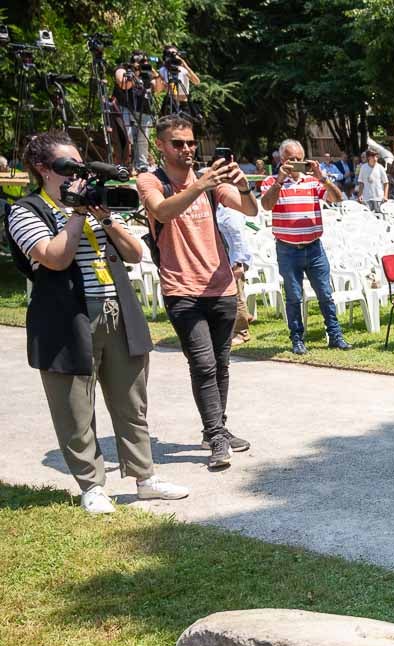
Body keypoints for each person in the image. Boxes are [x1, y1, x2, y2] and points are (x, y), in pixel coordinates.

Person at [8, 130, 189, 512]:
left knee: (131, 401)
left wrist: (105, 219)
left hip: (117, 310)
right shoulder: (27, 210)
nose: (76, 173)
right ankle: (92, 485)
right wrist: (76, 214)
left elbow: (135, 252)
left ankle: (145, 477)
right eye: (67, 166)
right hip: (66, 319)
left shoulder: (96, 205)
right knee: (75, 406)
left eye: (80, 166)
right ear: (42, 169)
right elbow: (53, 257)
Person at [136, 114, 259, 470]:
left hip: (220, 286)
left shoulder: (210, 181)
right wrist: (200, 185)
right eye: (178, 143)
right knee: (203, 363)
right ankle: (216, 436)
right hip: (182, 288)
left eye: (191, 142)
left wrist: (243, 184)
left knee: (221, 363)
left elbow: (251, 208)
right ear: (161, 145)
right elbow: (162, 210)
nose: (187, 149)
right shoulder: (151, 180)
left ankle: (216, 429)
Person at [258, 138, 353, 355]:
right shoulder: (271, 182)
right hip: (287, 248)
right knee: (293, 296)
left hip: (314, 247)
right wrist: (280, 181)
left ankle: (335, 335)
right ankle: (297, 338)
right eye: (291, 159)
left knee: (325, 294)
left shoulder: (312, 182)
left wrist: (323, 179)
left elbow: (338, 199)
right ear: (281, 160)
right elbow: (266, 205)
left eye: (299, 159)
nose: (296, 164)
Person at [216, 204, 255, 346]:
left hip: (234, 259)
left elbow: (238, 237)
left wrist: (238, 263)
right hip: (224, 258)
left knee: (236, 295)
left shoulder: (229, 209)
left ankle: (241, 332)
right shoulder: (217, 206)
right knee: (232, 294)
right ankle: (244, 318)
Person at [113, 52, 157, 167]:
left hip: (144, 109)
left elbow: (157, 88)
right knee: (128, 138)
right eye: (142, 61)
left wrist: (155, 74)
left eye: (146, 61)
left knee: (143, 140)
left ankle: (142, 167)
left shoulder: (147, 72)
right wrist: (135, 72)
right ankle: (127, 165)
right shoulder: (123, 69)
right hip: (126, 107)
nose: (144, 64)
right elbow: (124, 85)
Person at [156, 46, 200, 118]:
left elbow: (196, 82)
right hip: (170, 103)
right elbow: (159, 89)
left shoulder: (183, 69)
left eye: (175, 54)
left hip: (183, 104)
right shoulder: (163, 70)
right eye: (170, 54)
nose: (173, 56)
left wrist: (184, 63)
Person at [356, 149, 387, 213]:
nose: (375, 158)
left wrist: (385, 196)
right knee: (367, 216)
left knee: (379, 216)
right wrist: (360, 195)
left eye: (376, 156)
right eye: (373, 156)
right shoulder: (363, 167)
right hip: (366, 197)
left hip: (378, 197)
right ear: (368, 157)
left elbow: (386, 183)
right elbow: (361, 182)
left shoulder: (380, 167)